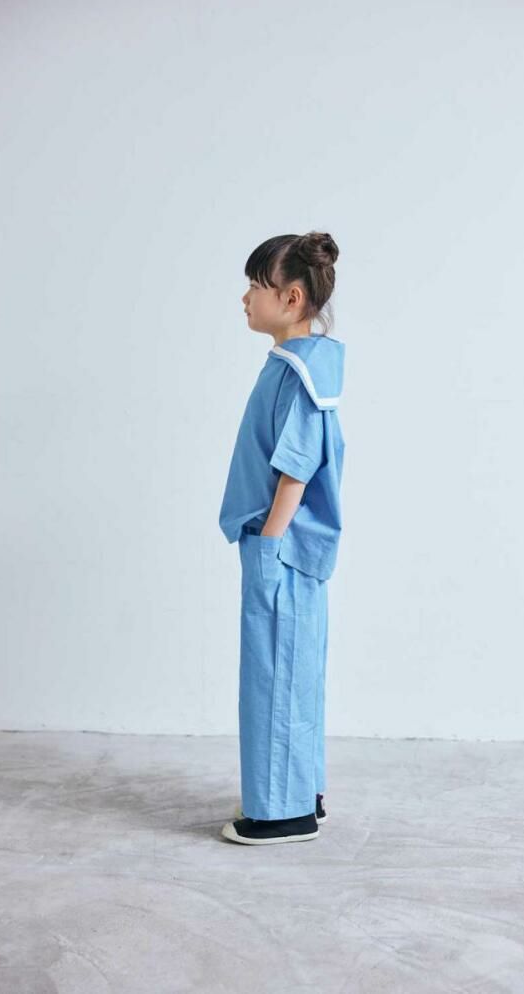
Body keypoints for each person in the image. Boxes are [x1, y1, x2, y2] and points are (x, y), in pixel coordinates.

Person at [217, 231, 346, 845]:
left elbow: (296, 467)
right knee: (295, 671)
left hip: (283, 548)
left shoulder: (302, 375)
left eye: (256, 286)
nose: (245, 298)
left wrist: (268, 545)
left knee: (275, 676)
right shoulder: (302, 366)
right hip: (288, 549)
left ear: (291, 298)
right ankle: (303, 794)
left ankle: (281, 813)